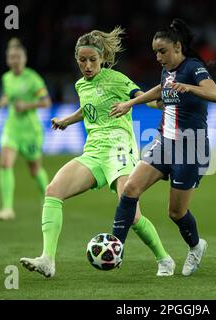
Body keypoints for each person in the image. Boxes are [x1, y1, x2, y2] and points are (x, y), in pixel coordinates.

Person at [19, 27, 174, 278]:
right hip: (93, 152)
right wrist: (67, 121)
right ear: (77, 60)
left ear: (102, 58)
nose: (88, 65)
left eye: (93, 60)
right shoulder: (81, 85)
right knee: (53, 191)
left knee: (131, 214)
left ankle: (164, 259)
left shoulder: (116, 79)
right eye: (83, 60)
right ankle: (47, 259)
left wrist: (165, 101)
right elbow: (87, 109)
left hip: (120, 149)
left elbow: (142, 97)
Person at [109, 19, 216, 276]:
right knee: (130, 189)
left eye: (163, 52)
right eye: (155, 53)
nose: (158, 57)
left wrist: (189, 87)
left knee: (175, 212)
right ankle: (115, 249)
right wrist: (131, 103)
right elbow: (162, 88)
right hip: (163, 141)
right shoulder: (167, 70)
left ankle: (195, 246)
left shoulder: (193, 68)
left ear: (178, 47)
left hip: (191, 147)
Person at [0, 38, 51, 221]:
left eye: (18, 56)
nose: (15, 60)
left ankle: (48, 201)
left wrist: (26, 105)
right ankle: (7, 208)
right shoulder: (6, 78)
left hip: (30, 131)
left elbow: (46, 102)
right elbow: (8, 97)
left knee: (34, 170)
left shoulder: (33, 79)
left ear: (24, 59)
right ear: (8, 60)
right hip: (12, 128)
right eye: (11, 57)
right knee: (4, 163)